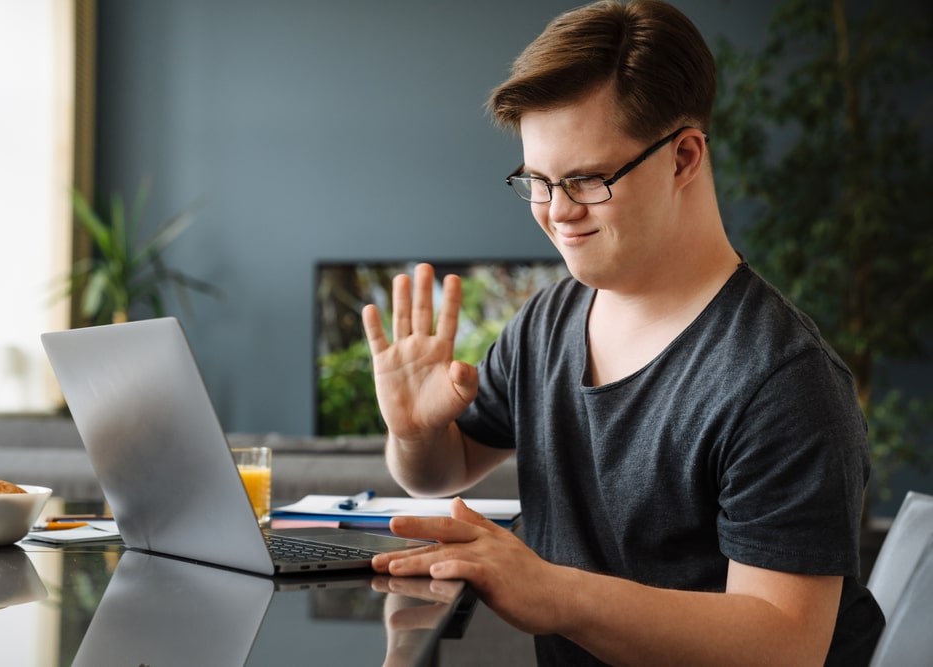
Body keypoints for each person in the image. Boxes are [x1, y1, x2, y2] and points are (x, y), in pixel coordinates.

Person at [360, 1, 885, 665]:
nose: (555, 212)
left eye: (585, 179)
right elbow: (445, 469)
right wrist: (414, 433)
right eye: (538, 182)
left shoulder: (784, 380)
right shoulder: (546, 322)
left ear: (685, 156)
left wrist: (555, 592)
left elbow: (785, 643)